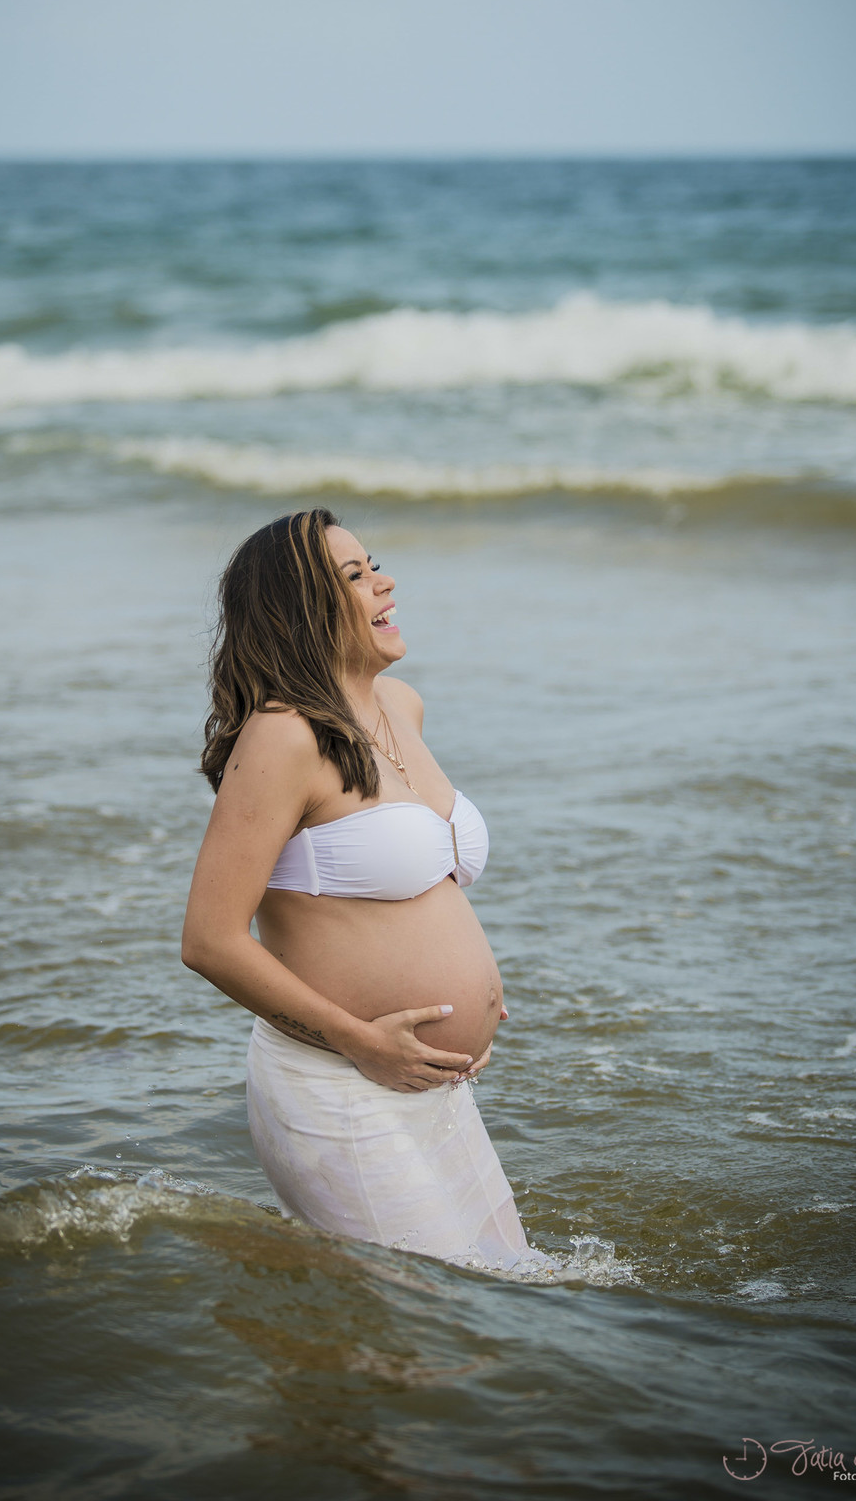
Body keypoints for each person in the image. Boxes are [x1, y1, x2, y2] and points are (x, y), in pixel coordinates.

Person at [181, 507, 533, 1268]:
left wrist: (469, 998)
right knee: (425, 1319)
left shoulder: (400, 707)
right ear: (303, 610)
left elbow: (408, 888)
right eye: (355, 575)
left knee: (507, 1290)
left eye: (374, 564)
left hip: (426, 1084)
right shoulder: (282, 736)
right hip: (337, 1083)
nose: (385, 582)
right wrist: (364, 1042)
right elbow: (209, 941)